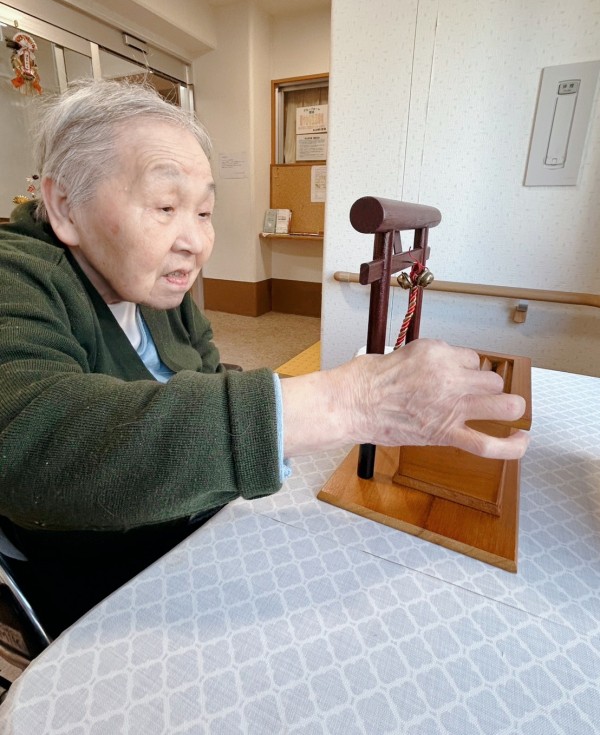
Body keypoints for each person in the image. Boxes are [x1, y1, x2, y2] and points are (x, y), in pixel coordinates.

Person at [0, 80, 529, 638]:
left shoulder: (150, 287)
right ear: (65, 206)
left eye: (204, 211)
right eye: (165, 207)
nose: (196, 242)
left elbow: (207, 374)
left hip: (198, 526)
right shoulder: (17, 279)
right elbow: (35, 439)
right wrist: (352, 400)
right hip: (110, 584)